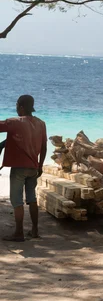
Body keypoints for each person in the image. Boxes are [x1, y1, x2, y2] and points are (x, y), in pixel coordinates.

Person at [0, 95, 47, 242]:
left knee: (17, 201)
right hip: (33, 167)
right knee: (32, 199)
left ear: (20, 107)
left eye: (16, 105)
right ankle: (34, 230)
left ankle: (19, 233)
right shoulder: (41, 123)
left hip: (19, 168)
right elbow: (45, 147)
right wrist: (40, 165)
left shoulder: (15, 122)